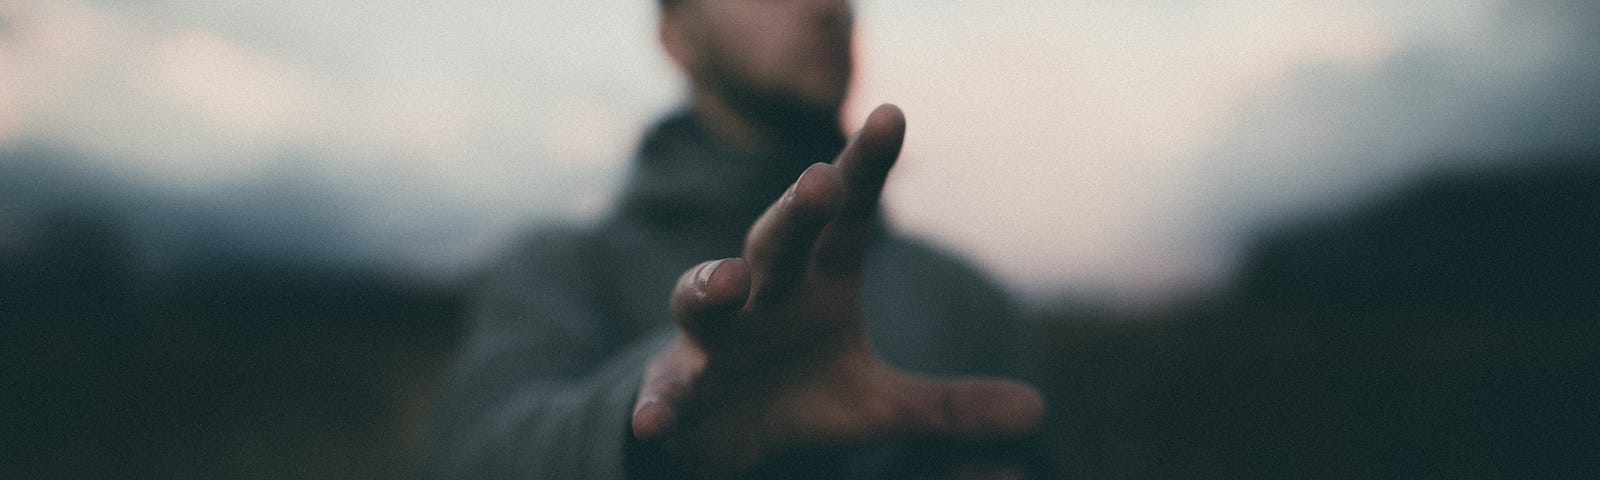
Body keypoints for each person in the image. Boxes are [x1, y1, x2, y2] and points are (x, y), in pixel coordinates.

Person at [425, 0, 1049, 478]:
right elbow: (468, 457)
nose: (827, 9)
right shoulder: (563, 271)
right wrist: (650, 421)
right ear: (678, 36)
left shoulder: (964, 298)